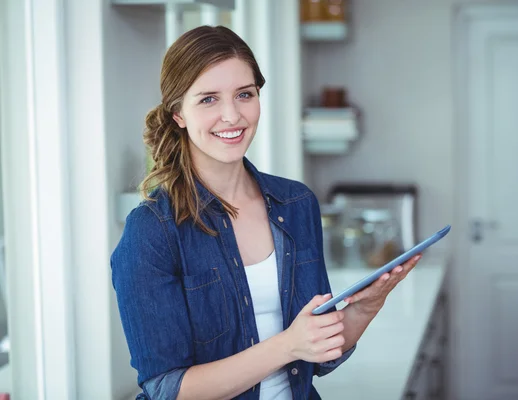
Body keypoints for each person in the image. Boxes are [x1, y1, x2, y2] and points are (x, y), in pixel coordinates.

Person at [110, 25, 421, 400]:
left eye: (245, 94)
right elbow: (167, 389)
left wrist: (365, 309)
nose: (232, 116)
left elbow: (317, 356)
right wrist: (287, 345)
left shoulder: (296, 204)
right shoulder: (152, 231)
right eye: (208, 99)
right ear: (178, 113)